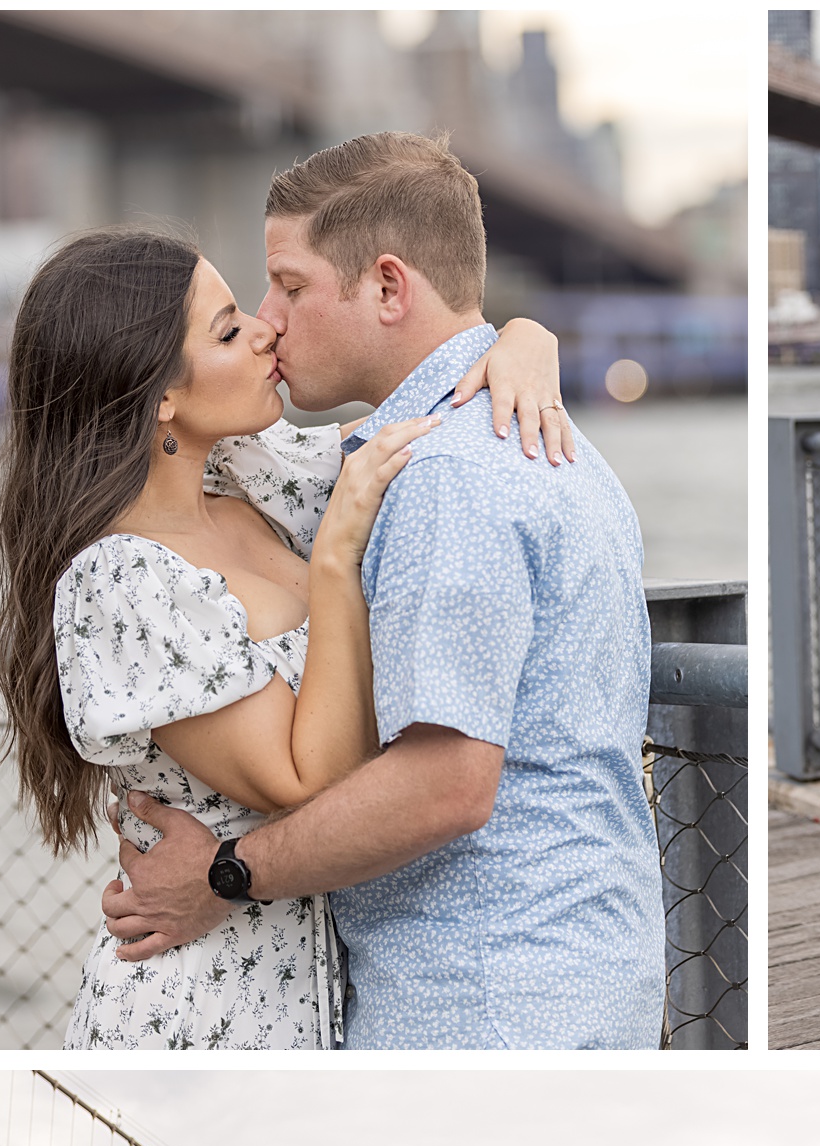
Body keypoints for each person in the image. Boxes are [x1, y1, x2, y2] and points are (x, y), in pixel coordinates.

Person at [101, 131, 668, 1051]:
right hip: (576, 968)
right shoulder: (524, 440)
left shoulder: (446, 478)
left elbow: (445, 786)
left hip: (483, 996)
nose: (269, 319)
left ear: (390, 287)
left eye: (290, 286)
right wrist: (523, 336)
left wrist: (223, 876)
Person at [0, 220, 573, 1050]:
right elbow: (307, 778)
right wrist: (335, 559)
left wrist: (523, 340)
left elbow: (423, 423)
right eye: (229, 330)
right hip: (203, 1011)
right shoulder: (122, 582)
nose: (268, 329)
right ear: (160, 396)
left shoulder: (248, 477)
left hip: (316, 984)